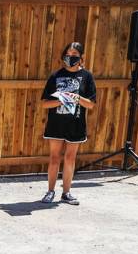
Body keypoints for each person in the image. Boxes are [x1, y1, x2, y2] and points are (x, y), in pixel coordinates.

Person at [39, 41, 98, 205]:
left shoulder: (87, 76)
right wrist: (61, 101)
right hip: (56, 124)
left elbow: (91, 104)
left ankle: (66, 192)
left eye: (74, 55)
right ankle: (50, 191)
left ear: (81, 57)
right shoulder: (55, 76)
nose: (70, 58)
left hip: (76, 124)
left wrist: (77, 98)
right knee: (54, 158)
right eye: (68, 55)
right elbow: (44, 103)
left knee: (70, 158)